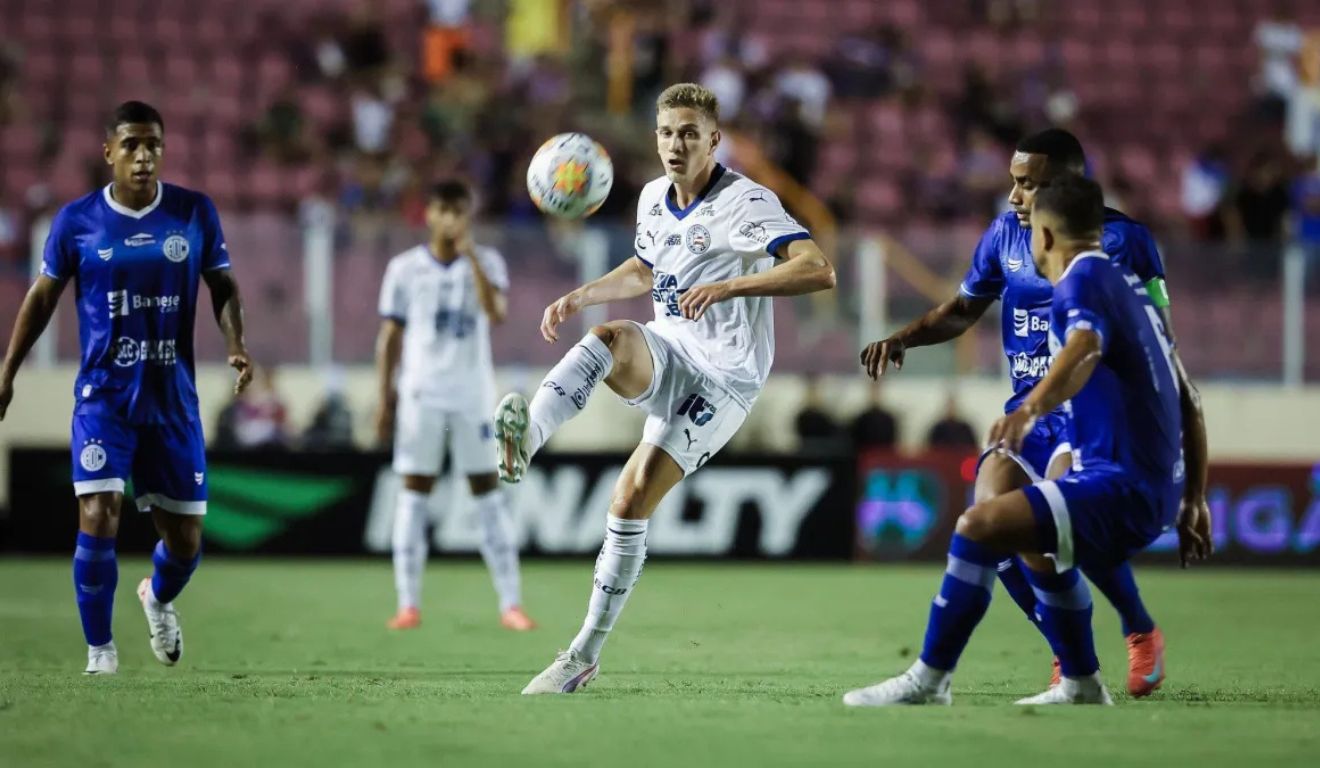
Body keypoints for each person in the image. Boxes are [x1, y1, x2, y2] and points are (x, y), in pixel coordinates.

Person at [494, 83, 835, 694]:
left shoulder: (747, 202)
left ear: (712, 140)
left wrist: (732, 287)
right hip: (672, 348)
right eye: (666, 133)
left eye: (688, 133)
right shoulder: (653, 196)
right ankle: (527, 441)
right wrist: (581, 293)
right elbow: (647, 270)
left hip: (727, 377)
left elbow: (817, 268)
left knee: (627, 504)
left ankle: (582, 654)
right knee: (610, 337)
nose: (675, 144)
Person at [859, 128, 1209, 697]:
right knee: (992, 516)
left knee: (1058, 525)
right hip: (1027, 403)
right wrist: (906, 338)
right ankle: (1067, 655)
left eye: (1031, 185)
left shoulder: (1121, 244)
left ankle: (1137, 629)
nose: (1016, 197)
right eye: (1014, 183)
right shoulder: (1003, 234)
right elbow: (963, 309)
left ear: (1067, 188)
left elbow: (1151, 335)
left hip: (1083, 408)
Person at [0, 101, 253, 675]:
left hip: (171, 400)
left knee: (186, 541)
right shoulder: (77, 222)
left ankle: (158, 599)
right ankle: (100, 651)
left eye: (154, 146)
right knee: (99, 511)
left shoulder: (192, 212)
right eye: (132, 145)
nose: (144, 157)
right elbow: (41, 298)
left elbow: (223, 285)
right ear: (108, 151)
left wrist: (236, 343)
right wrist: (7, 371)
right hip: (104, 398)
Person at [375, 178, 534, 632]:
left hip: (472, 396)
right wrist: (384, 397)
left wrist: (471, 262)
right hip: (421, 394)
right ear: (429, 214)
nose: (453, 219)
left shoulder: (487, 262)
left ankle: (511, 604)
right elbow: (390, 337)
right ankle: (408, 603)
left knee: (487, 494)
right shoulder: (404, 269)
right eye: (444, 209)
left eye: (460, 210)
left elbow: (497, 313)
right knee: (413, 494)